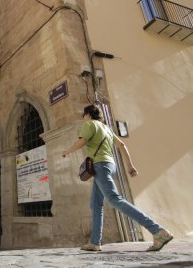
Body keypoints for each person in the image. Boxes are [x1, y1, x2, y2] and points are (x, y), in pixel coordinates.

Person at [62, 104, 173, 252]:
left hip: (100, 165)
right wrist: (130, 165)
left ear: (88, 115)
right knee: (95, 204)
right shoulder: (107, 128)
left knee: (115, 199)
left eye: (84, 116)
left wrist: (66, 151)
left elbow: (82, 141)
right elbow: (122, 145)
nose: (84, 118)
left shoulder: (90, 124)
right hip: (109, 165)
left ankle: (158, 231)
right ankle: (95, 242)